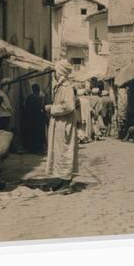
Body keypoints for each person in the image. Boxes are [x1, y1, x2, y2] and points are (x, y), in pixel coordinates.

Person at [44, 60, 79, 190]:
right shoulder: (60, 87)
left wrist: (51, 108)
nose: (54, 74)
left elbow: (69, 107)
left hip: (64, 126)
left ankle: (66, 180)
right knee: (59, 152)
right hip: (60, 125)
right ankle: (61, 177)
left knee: (64, 152)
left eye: (55, 72)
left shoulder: (67, 88)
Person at [23, 83, 46, 154]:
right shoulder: (36, 99)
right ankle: (37, 150)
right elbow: (40, 110)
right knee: (37, 135)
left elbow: (25, 108)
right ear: (37, 91)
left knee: (31, 135)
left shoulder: (28, 98)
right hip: (36, 120)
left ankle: (32, 149)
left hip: (30, 120)